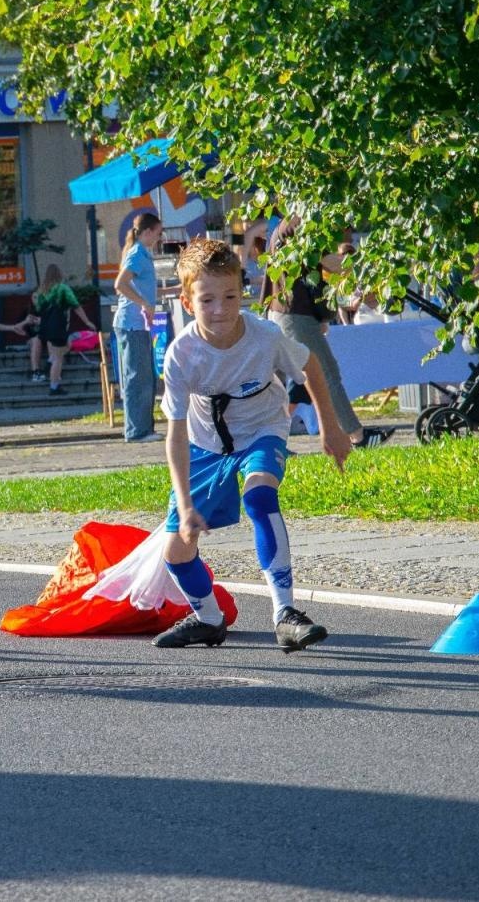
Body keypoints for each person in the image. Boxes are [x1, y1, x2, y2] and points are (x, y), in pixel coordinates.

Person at [152, 238, 352, 652]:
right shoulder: (181, 354)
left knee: (260, 496)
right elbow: (174, 433)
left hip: (262, 429)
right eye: (207, 300)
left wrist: (330, 428)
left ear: (242, 292)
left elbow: (310, 365)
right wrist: (185, 504)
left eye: (229, 296)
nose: (221, 309)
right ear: (188, 303)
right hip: (205, 444)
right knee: (176, 551)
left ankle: (285, 614)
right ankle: (208, 618)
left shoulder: (265, 336)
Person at [263, 217, 392, 448]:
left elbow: (314, 271)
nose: (347, 232)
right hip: (295, 314)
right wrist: (369, 270)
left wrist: (320, 315)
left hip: (293, 313)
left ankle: (272, 442)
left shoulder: (290, 224)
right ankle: (358, 436)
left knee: (299, 385)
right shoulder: (299, 221)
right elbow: (329, 263)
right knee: (326, 375)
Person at [112, 212, 169, 442]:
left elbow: (145, 289)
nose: (159, 237)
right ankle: (137, 431)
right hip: (132, 324)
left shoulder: (142, 253)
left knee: (145, 377)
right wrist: (145, 303)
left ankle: (143, 428)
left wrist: (172, 292)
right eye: (157, 233)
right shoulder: (137, 253)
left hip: (139, 324)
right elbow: (120, 284)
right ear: (147, 232)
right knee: (138, 377)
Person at [28, 263, 97, 396]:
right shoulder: (63, 288)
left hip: (45, 327)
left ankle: (51, 360)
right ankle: (54, 387)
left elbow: (38, 309)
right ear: (59, 274)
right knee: (59, 358)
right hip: (58, 326)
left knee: (67, 345)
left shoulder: (42, 291)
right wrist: (87, 321)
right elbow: (76, 306)